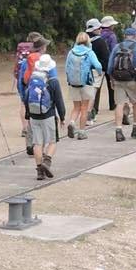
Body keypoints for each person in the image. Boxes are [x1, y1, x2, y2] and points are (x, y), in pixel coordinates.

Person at [23, 48, 66, 180]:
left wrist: (28, 114)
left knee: (37, 143)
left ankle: (39, 171)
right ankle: (47, 162)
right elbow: (59, 100)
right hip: (48, 114)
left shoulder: (32, 79)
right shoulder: (53, 81)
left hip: (34, 116)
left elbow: (26, 97)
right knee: (53, 141)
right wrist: (62, 117)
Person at [107, 24, 136, 142]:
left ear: (125, 36)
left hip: (118, 79)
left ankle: (118, 131)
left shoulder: (117, 47)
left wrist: (111, 80)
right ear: (135, 36)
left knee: (119, 104)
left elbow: (110, 66)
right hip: (131, 80)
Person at [63, 31, 101, 139]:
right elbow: (98, 65)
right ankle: (81, 132)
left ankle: (71, 122)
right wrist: (99, 72)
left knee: (76, 107)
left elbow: (66, 68)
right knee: (84, 108)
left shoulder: (71, 52)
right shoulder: (89, 52)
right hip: (86, 83)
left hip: (73, 83)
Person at [89, 17, 117, 119]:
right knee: (111, 85)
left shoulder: (90, 37)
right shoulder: (111, 36)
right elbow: (113, 49)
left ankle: (95, 108)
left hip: (93, 65)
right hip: (106, 63)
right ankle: (112, 104)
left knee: (96, 88)